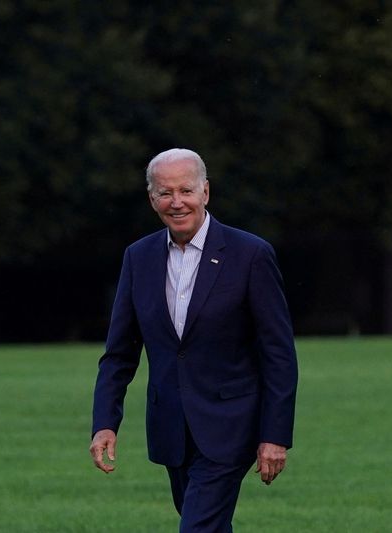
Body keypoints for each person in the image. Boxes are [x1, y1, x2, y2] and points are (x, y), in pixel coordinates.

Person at [90, 148, 298, 532]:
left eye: (185, 190)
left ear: (205, 192)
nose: (176, 202)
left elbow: (278, 353)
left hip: (230, 426)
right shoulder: (138, 257)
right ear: (152, 199)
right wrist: (105, 423)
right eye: (165, 193)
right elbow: (119, 354)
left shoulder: (250, 255)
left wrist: (275, 435)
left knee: (197, 528)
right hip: (171, 429)